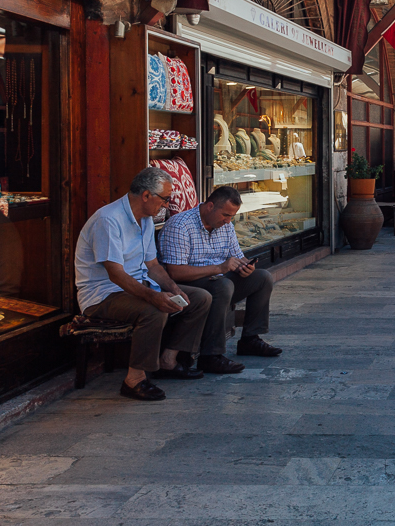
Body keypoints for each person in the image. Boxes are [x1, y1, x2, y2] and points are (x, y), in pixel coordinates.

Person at [74, 167, 211, 401]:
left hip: (137, 285)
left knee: (200, 298)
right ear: (146, 195)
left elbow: (153, 265)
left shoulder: (146, 220)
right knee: (154, 310)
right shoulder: (108, 219)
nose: (166, 205)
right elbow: (116, 274)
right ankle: (134, 379)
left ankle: (168, 360)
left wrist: (174, 289)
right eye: (164, 199)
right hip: (103, 295)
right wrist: (153, 297)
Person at [160, 186, 282, 374]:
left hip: (219, 280)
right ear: (210, 206)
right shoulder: (180, 225)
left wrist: (245, 267)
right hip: (190, 283)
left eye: (232, 216)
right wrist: (219, 268)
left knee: (262, 277)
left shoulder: (225, 226)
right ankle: (211, 356)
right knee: (223, 285)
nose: (228, 221)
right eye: (225, 215)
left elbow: (238, 257)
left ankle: (250, 339)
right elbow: (175, 272)